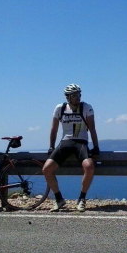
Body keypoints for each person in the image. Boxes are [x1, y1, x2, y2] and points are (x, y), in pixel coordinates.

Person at [43, 83, 100, 212]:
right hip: (65, 142)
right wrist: (51, 146)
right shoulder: (60, 108)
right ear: (68, 97)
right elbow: (54, 129)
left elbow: (92, 128)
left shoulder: (86, 107)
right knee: (46, 169)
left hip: (81, 142)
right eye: (74, 95)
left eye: (79, 94)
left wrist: (96, 146)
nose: (78, 97)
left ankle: (82, 199)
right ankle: (59, 199)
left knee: (89, 167)